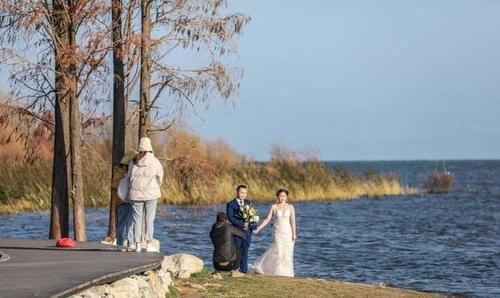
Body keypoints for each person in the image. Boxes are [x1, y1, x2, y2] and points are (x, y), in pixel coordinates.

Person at [128, 137, 164, 252]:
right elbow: (160, 178)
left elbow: (129, 177)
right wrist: (155, 186)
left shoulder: (133, 161)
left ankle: (137, 244)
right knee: (149, 219)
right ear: (150, 148)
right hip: (151, 194)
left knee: (137, 220)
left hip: (136, 194)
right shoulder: (155, 161)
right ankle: (148, 243)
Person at [251, 188, 297, 277]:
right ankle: (277, 272)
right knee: (278, 252)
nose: (282, 198)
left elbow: (293, 221)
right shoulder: (274, 207)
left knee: (287, 253)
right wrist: (258, 228)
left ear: (286, 197)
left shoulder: (290, 207)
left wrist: (294, 233)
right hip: (278, 232)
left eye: (284, 196)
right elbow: (268, 219)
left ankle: (286, 273)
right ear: (277, 196)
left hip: (288, 232)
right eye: (280, 196)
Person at [226, 184, 257, 273]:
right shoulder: (231, 204)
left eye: (245, 193)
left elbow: (253, 216)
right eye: (241, 192)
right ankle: (235, 269)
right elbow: (231, 218)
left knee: (245, 250)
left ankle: (244, 270)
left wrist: (253, 226)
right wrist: (242, 224)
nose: (243, 194)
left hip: (247, 232)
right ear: (237, 192)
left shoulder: (249, 203)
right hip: (236, 231)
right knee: (237, 250)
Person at [116, 156, 134, 250]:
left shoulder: (120, 175)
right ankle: (127, 243)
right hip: (127, 201)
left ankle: (120, 243)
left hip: (121, 202)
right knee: (128, 223)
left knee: (122, 223)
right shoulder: (127, 176)